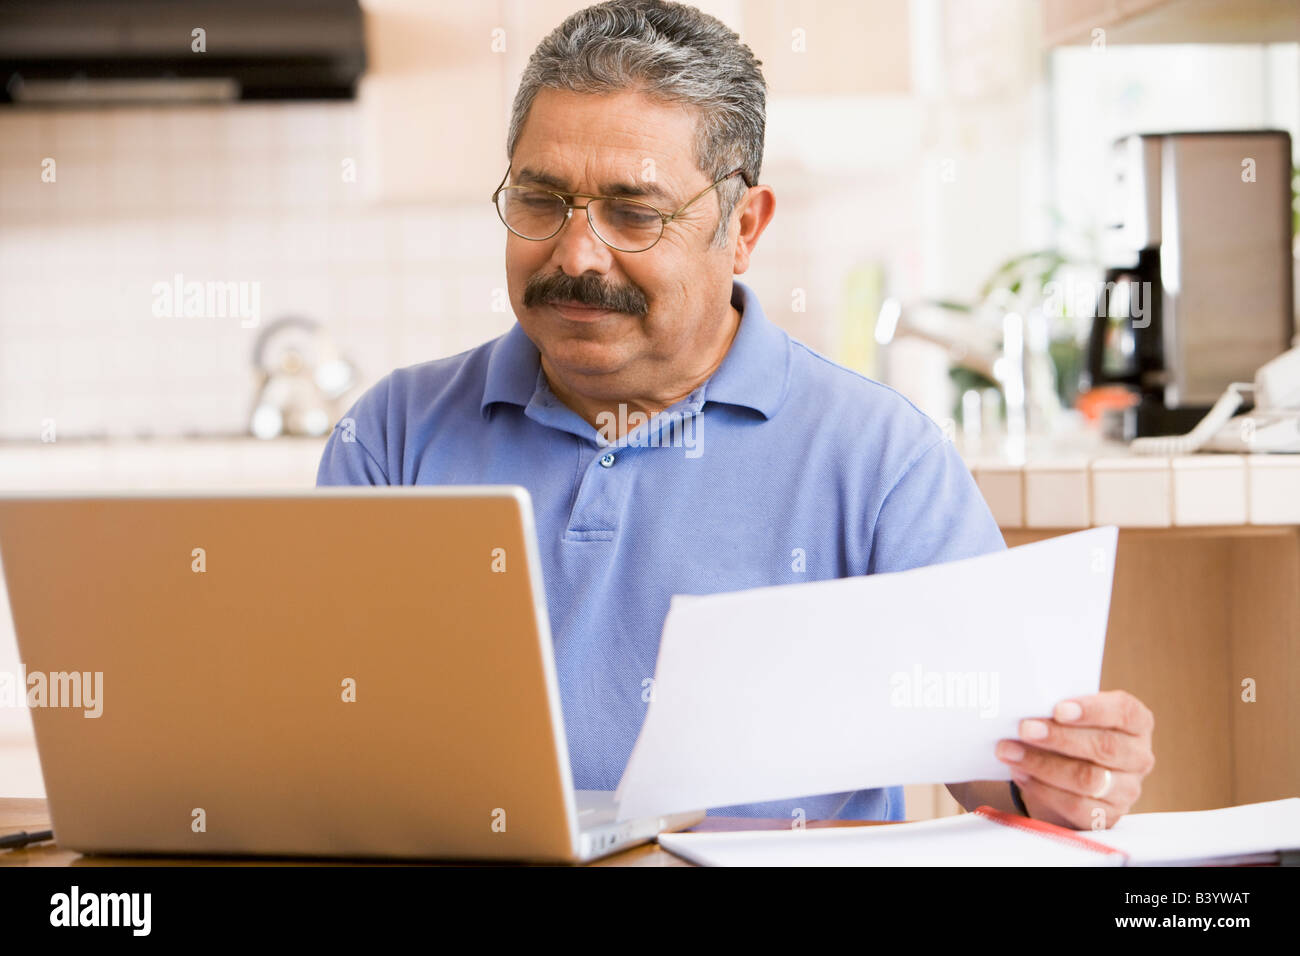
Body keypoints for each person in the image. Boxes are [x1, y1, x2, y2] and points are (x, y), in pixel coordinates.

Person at [318, 0, 1155, 827]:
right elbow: (326, 731)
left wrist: (1063, 776)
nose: (576, 254)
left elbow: (997, 767)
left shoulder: (878, 454)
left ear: (743, 226)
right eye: (541, 202)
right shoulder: (393, 435)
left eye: (633, 213)